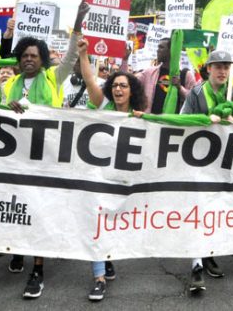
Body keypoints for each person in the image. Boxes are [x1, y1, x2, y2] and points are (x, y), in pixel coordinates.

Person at [4, 2, 89, 299]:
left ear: (42, 59)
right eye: (24, 55)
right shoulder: (9, 84)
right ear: (19, 59)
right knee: (16, 207)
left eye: (34, 55)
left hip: (46, 156)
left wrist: (78, 18)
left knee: (38, 210)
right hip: (15, 158)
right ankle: (16, 248)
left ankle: (37, 270)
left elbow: (69, 54)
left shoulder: (54, 77)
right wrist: (5, 107)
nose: (29, 59)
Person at [78, 37, 146, 301]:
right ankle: (98, 278)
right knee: (96, 222)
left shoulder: (139, 115)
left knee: (114, 224)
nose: (118, 90)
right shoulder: (102, 104)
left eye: (123, 86)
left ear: (132, 91)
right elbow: (89, 79)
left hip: (124, 180)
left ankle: (107, 258)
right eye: (115, 85)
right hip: (97, 176)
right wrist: (84, 55)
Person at [180, 50, 233, 292]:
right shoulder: (196, 93)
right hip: (197, 161)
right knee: (197, 208)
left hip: (222, 162)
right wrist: (207, 119)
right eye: (217, 66)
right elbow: (183, 121)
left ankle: (208, 254)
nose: (222, 71)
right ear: (208, 69)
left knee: (216, 210)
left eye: (226, 67)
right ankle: (196, 262)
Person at [132, 37, 196, 114]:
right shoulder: (149, 73)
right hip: (151, 122)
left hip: (174, 124)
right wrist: (125, 60)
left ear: (171, 51)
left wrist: (180, 88)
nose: (157, 50)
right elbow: (129, 82)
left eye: (161, 47)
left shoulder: (186, 75)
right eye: (158, 47)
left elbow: (195, 100)